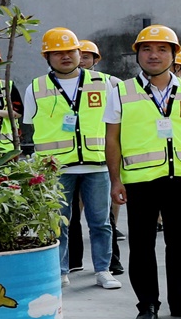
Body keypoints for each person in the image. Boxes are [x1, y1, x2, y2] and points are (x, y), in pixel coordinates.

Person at [117, 24, 181, 319]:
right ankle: (147, 304)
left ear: (175, 55)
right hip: (140, 180)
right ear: (137, 55)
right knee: (142, 245)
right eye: (146, 49)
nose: (154, 55)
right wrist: (115, 180)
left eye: (162, 49)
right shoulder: (122, 91)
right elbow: (112, 138)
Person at [22, 27, 122, 288]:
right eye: (57, 53)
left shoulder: (107, 83)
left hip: (97, 165)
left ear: (80, 53)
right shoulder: (36, 87)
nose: (65, 57)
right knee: (58, 224)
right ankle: (61, 271)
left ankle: (103, 270)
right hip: (56, 169)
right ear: (47, 57)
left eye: (70, 51)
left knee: (101, 223)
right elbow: (29, 130)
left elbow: (121, 124)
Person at [67, 39, 123, 276]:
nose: (86, 60)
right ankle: (72, 261)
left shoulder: (108, 83)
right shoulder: (46, 86)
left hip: (97, 159)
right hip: (66, 162)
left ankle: (110, 264)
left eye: (89, 56)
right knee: (70, 218)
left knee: (102, 219)